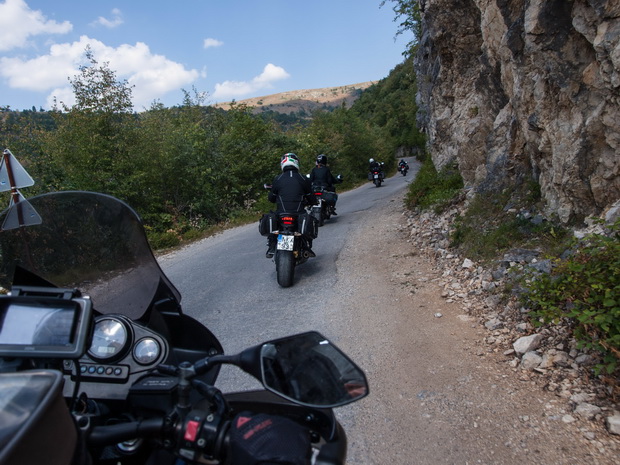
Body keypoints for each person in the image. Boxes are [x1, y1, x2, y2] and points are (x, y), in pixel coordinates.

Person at [266, 153, 316, 258]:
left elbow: (271, 198)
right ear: (296, 163)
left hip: (281, 214)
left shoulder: (278, 179)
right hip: (298, 213)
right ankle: (306, 247)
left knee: (274, 225)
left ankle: (271, 246)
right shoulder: (303, 179)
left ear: (282, 164)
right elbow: (311, 198)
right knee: (308, 221)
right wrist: (312, 201)